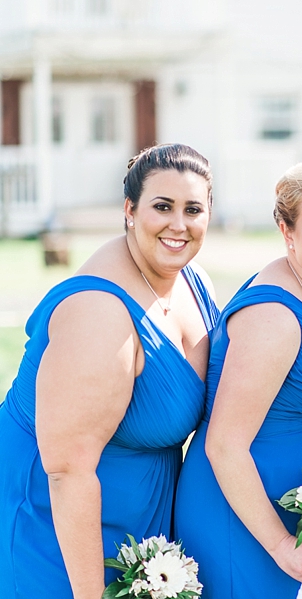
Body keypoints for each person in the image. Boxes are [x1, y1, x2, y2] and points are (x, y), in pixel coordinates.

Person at [0, 144, 218, 598]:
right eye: (162, 207)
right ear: (130, 210)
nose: (179, 225)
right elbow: (67, 472)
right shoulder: (98, 314)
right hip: (54, 530)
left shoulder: (193, 281)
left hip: (139, 527)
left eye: (193, 209)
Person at [174, 161, 302, 598]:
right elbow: (225, 444)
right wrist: (281, 546)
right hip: (246, 505)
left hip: (294, 494)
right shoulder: (274, 316)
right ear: (287, 230)